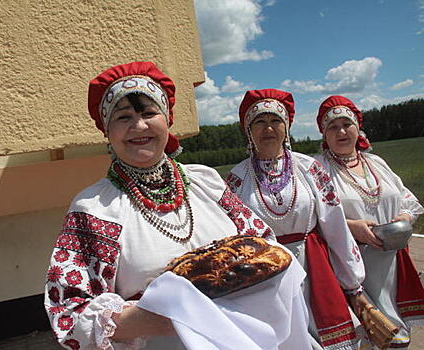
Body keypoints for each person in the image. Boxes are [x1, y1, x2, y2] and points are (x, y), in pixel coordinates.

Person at [44, 62, 310, 350]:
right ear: (107, 131)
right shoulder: (94, 208)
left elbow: (264, 246)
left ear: (167, 120)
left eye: (148, 113)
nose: (139, 126)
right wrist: (183, 316)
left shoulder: (205, 181)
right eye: (123, 117)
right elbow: (70, 313)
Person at [226, 89, 368, 350]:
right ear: (248, 130)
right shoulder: (236, 179)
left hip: (314, 269)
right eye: (259, 121)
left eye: (275, 120)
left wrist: (353, 283)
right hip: (265, 279)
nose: (268, 128)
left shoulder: (309, 168)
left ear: (286, 126)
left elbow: (335, 226)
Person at [313, 95, 424, 349]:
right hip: (350, 266)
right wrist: (352, 228)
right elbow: (311, 218)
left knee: (396, 335)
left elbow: (406, 197)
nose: (341, 131)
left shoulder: (376, 163)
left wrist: (405, 217)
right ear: (324, 134)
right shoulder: (318, 169)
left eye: (346, 124)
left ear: (357, 128)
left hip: (391, 262)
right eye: (332, 126)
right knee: (368, 335)